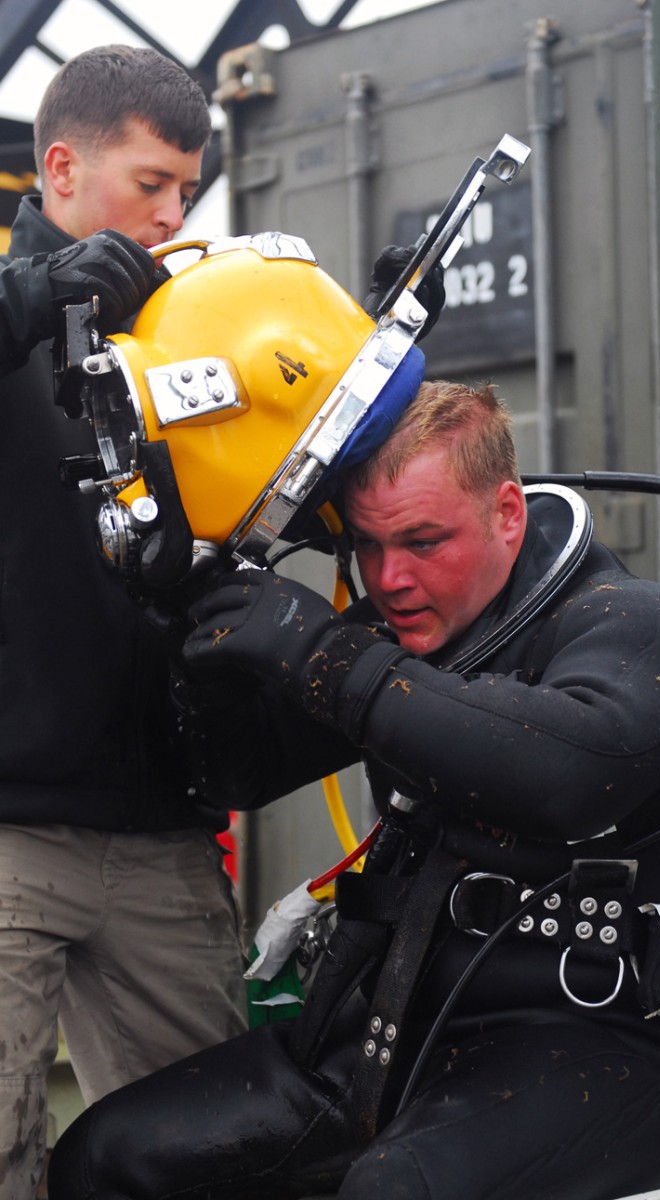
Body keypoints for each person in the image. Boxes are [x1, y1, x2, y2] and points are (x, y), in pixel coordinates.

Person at [49, 379, 660, 1200]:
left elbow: (565, 776)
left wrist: (327, 660)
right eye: (367, 546)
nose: (389, 577)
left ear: (508, 513)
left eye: (421, 541)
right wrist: (197, 617)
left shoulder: (638, 625)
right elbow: (239, 771)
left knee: (394, 1191)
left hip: (602, 1051)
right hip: (388, 1040)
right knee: (103, 1155)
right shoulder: (405, 637)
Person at [0, 45, 252, 1200]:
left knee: (218, 1151)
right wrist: (26, 299)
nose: (172, 213)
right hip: (10, 833)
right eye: (150, 183)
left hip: (162, 826)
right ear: (59, 167)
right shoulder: (16, 313)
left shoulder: (183, 333)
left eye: (186, 191)